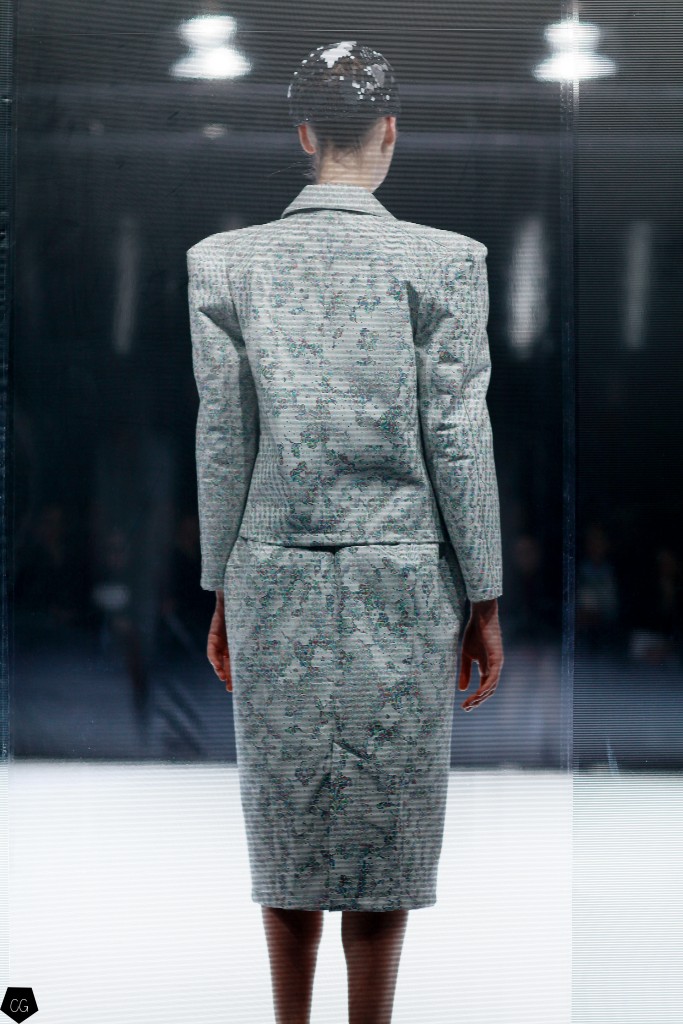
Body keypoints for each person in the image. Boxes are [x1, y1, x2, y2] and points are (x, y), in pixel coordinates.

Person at [187, 40, 504, 1024]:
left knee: (285, 817)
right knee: (384, 829)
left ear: (302, 134)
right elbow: (457, 437)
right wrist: (484, 594)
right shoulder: (445, 264)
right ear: (389, 132)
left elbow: (223, 439)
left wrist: (220, 586)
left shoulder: (223, 264)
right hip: (404, 576)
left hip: (270, 570)